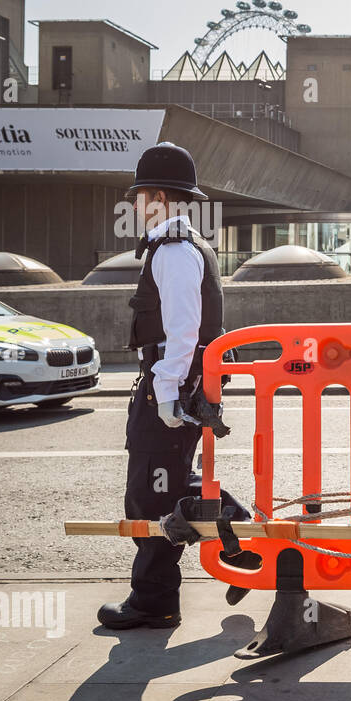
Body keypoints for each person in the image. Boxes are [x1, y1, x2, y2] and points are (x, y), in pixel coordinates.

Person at [98, 142, 225, 629]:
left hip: (170, 385)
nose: (133, 204)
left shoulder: (172, 251)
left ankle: (154, 601)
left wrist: (167, 390)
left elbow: (183, 328)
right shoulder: (186, 244)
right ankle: (245, 543)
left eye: (138, 195)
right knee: (174, 481)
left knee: (150, 496)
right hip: (179, 382)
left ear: (157, 196)